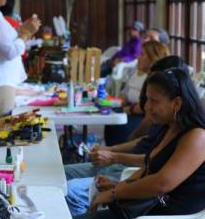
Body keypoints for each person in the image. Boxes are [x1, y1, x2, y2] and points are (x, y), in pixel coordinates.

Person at [64, 56, 189, 216]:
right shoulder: (168, 125)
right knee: (61, 175)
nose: (147, 107)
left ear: (176, 102)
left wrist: (116, 189)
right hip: (133, 180)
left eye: (154, 100)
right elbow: (150, 163)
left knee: (71, 192)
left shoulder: (193, 134)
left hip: (147, 201)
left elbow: (160, 182)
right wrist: (113, 157)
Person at [104, 41, 170, 146]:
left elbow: (148, 111)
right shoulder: (139, 74)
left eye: (142, 55)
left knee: (118, 126)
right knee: (110, 117)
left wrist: (129, 109)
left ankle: (114, 153)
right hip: (133, 110)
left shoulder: (155, 81)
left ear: (152, 58)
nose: (138, 58)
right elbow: (125, 95)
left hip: (145, 117)